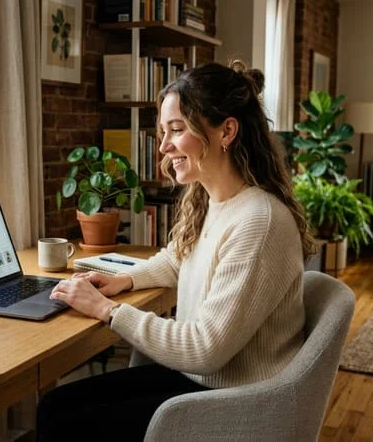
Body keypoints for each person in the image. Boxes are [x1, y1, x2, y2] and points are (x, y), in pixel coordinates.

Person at [36, 61, 316, 442]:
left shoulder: (259, 222)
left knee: (64, 423)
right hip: (205, 379)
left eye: (177, 130)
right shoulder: (213, 198)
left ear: (226, 131)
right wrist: (125, 280)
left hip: (233, 399)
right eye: (163, 132)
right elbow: (178, 257)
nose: (165, 147)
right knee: (54, 406)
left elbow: (206, 350)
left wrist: (107, 310)